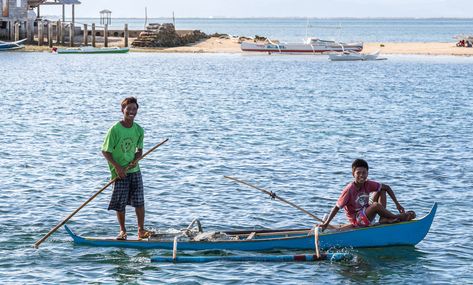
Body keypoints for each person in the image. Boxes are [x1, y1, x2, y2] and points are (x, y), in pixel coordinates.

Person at [102, 97, 153, 240]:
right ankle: (123, 231)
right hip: (119, 172)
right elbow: (105, 151)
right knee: (120, 202)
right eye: (128, 109)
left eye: (134, 109)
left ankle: (141, 230)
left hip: (134, 170)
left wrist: (136, 160)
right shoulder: (115, 129)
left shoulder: (139, 130)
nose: (131, 111)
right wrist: (118, 168)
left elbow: (139, 151)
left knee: (139, 201)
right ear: (122, 110)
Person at [319, 159, 415, 231]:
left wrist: (397, 204)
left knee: (381, 189)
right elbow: (336, 207)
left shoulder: (368, 184)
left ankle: (384, 218)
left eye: (364, 173)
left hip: (366, 211)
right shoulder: (349, 190)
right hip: (357, 220)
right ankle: (395, 217)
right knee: (375, 206)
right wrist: (326, 223)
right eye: (358, 173)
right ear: (353, 174)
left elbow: (387, 187)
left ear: (367, 173)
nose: (361, 175)